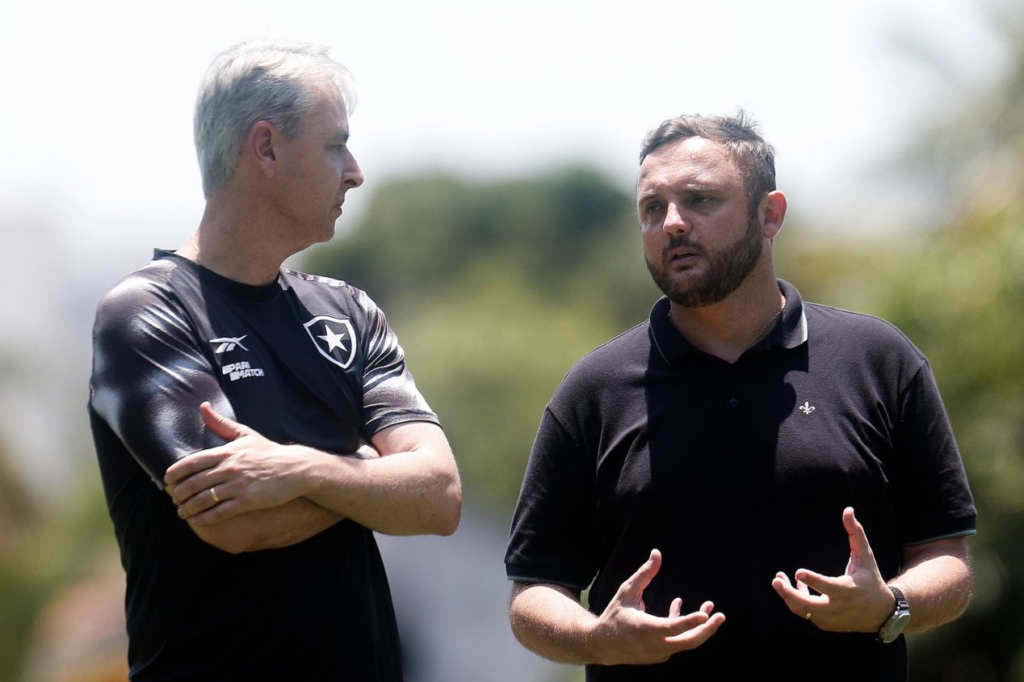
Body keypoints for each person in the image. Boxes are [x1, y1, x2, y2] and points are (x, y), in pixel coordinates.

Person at [504, 112, 976, 681]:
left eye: (700, 200)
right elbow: (533, 595)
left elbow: (948, 561)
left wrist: (889, 606)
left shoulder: (879, 359)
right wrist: (597, 638)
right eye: (652, 208)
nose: (672, 223)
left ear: (769, 214)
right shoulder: (593, 390)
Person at [89, 40, 461, 681]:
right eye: (335, 146)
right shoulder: (146, 310)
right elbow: (237, 522)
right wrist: (374, 475)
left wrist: (299, 470)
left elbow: (441, 497)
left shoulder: (349, 311)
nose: (355, 172)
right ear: (265, 148)